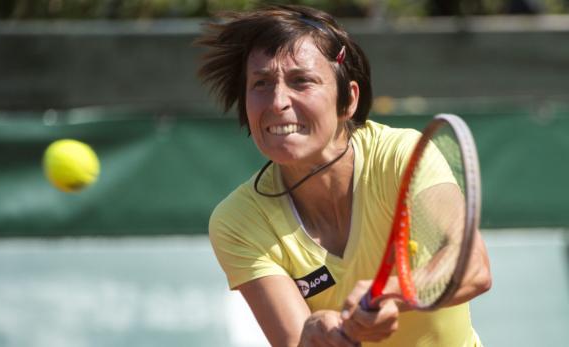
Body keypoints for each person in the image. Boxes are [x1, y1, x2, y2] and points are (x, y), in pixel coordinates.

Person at [197, 5, 491, 347]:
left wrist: (390, 295)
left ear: (348, 100)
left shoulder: (401, 155)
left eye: (301, 81)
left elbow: (472, 266)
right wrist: (317, 332)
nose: (277, 101)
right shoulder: (237, 221)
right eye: (261, 83)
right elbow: (296, 340)